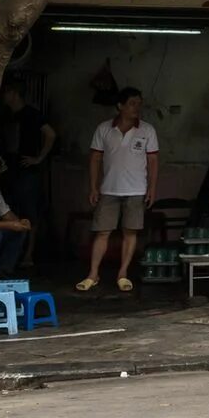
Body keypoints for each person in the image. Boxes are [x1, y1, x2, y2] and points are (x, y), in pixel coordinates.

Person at [79, 87, 158, 293]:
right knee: (102, 232)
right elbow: (95, 158)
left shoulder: (147, 130)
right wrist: (94, 186)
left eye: (139, 103)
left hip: (137, 189)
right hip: (109, 189)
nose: (136, 108)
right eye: (132, 103)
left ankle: (122, 274)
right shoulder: (104, 129)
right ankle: (93, 274)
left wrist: (152, 188)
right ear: (120, 106)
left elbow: (153, 161)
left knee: (130, 232)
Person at [0, 78, 55, 251]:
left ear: (14, 94)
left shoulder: (32, 114)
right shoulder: (3, 115)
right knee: (7, 211)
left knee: (30, 212)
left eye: (6, 92)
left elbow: (50, 134)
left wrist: (39, 158)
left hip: (27, 170)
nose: (3, 96)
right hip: (6, 171)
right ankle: (12, 254)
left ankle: (29, 254)